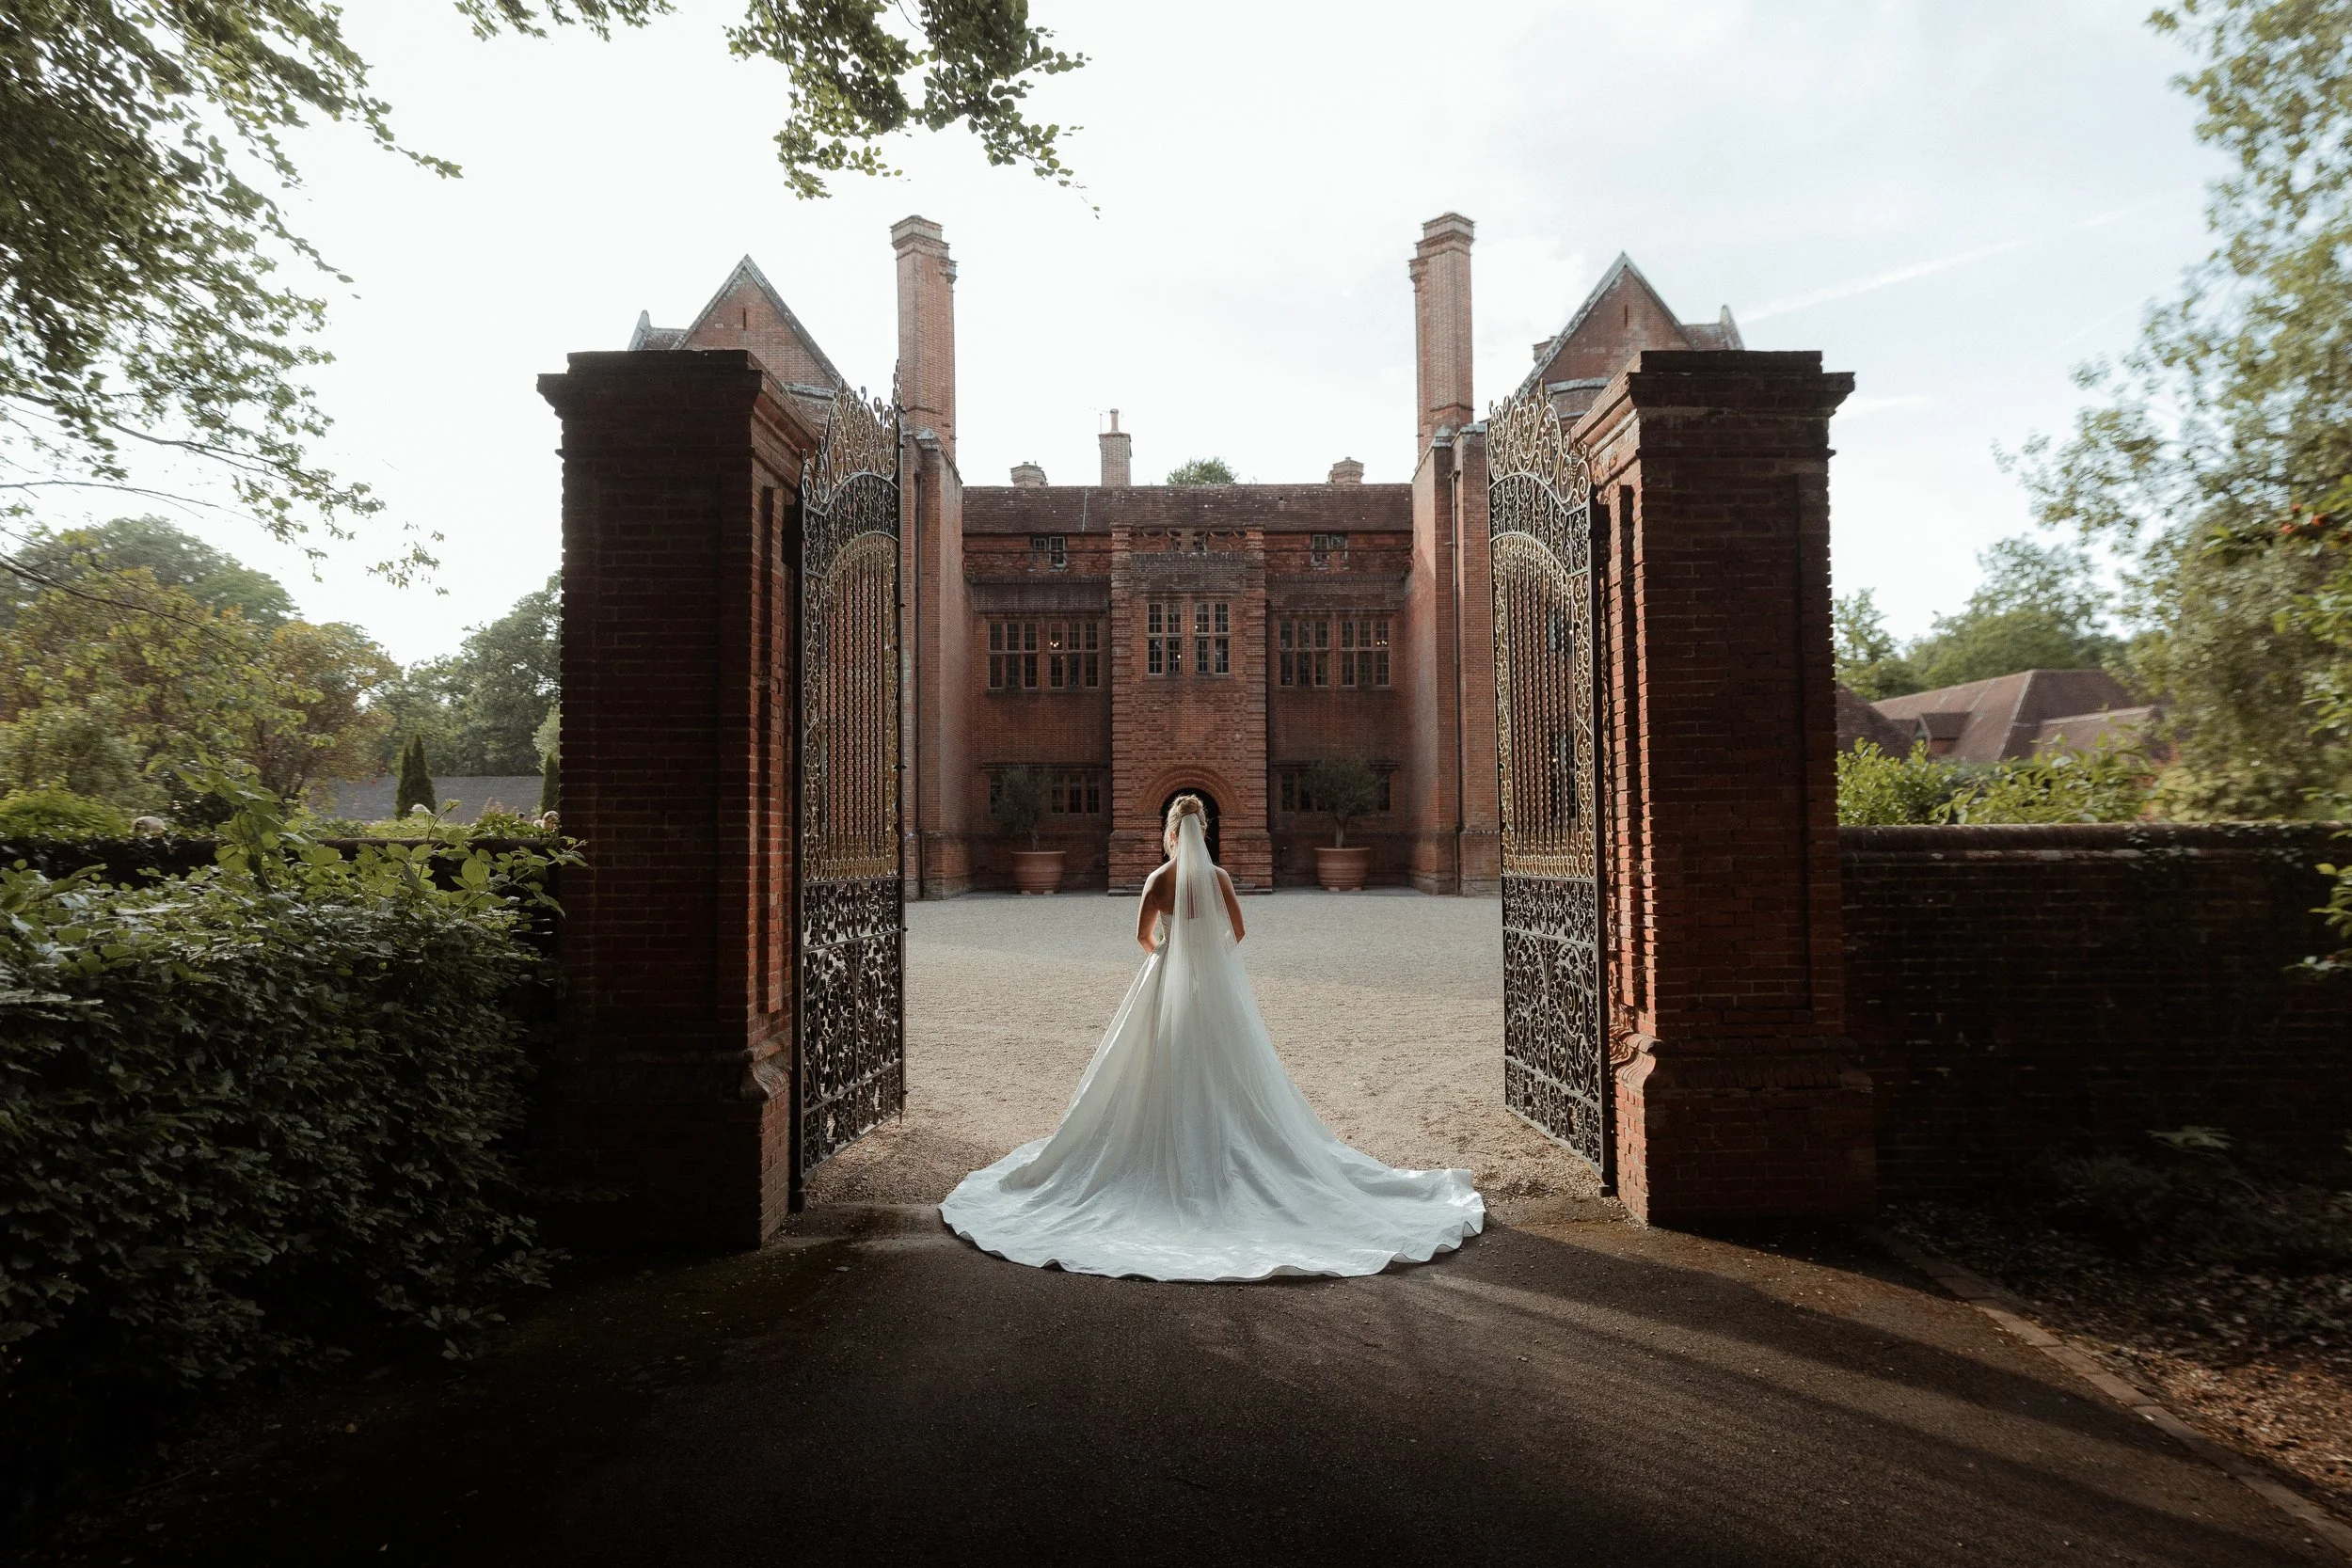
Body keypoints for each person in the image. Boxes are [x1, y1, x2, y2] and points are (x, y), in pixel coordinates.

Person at [941, 795, 1484, 1281]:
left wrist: (1171, 955)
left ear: (1173, 833)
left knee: (1149, 1065)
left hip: (1167, 977)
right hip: (1214, 987)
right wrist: (1210, 962)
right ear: (1205, 831)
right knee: (1234, 1067)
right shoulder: (1220, 879)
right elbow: (1239, 933)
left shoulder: (1158, 881)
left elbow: (1141, 937)